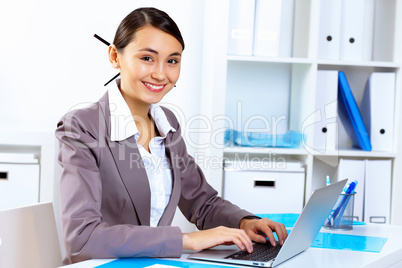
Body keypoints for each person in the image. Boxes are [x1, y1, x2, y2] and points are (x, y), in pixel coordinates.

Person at [55, 7, 287, 265]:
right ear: (114, 56)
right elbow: (82, 238)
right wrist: (184, 240)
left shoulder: (167, 122)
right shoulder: (82, 127)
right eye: (147, 58)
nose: (160, 74)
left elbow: (202, 202)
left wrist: (245, 222)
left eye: (172, 61)